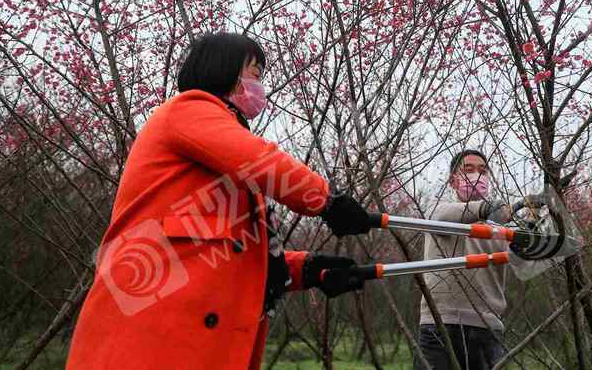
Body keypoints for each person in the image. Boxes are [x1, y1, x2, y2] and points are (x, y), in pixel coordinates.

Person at [67, 32, 376, 370]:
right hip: (146, 339)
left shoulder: (225, 166)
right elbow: (263, 162)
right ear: (223, 69)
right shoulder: (188, 111)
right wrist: (326, 200)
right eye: (255, 74)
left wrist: (306, 270)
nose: (260, 87)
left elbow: (225, 249)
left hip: (181, 343)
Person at [415, 149, 542, 370]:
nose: (477, 175)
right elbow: (441, 217)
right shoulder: (439, 209)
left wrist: (532, 223)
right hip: (441, 324)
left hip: (487, 328)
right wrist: (487, 208)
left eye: (483, 171)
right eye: (469, 169)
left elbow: (523, 259)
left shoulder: (499, 228)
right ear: (453, 181)